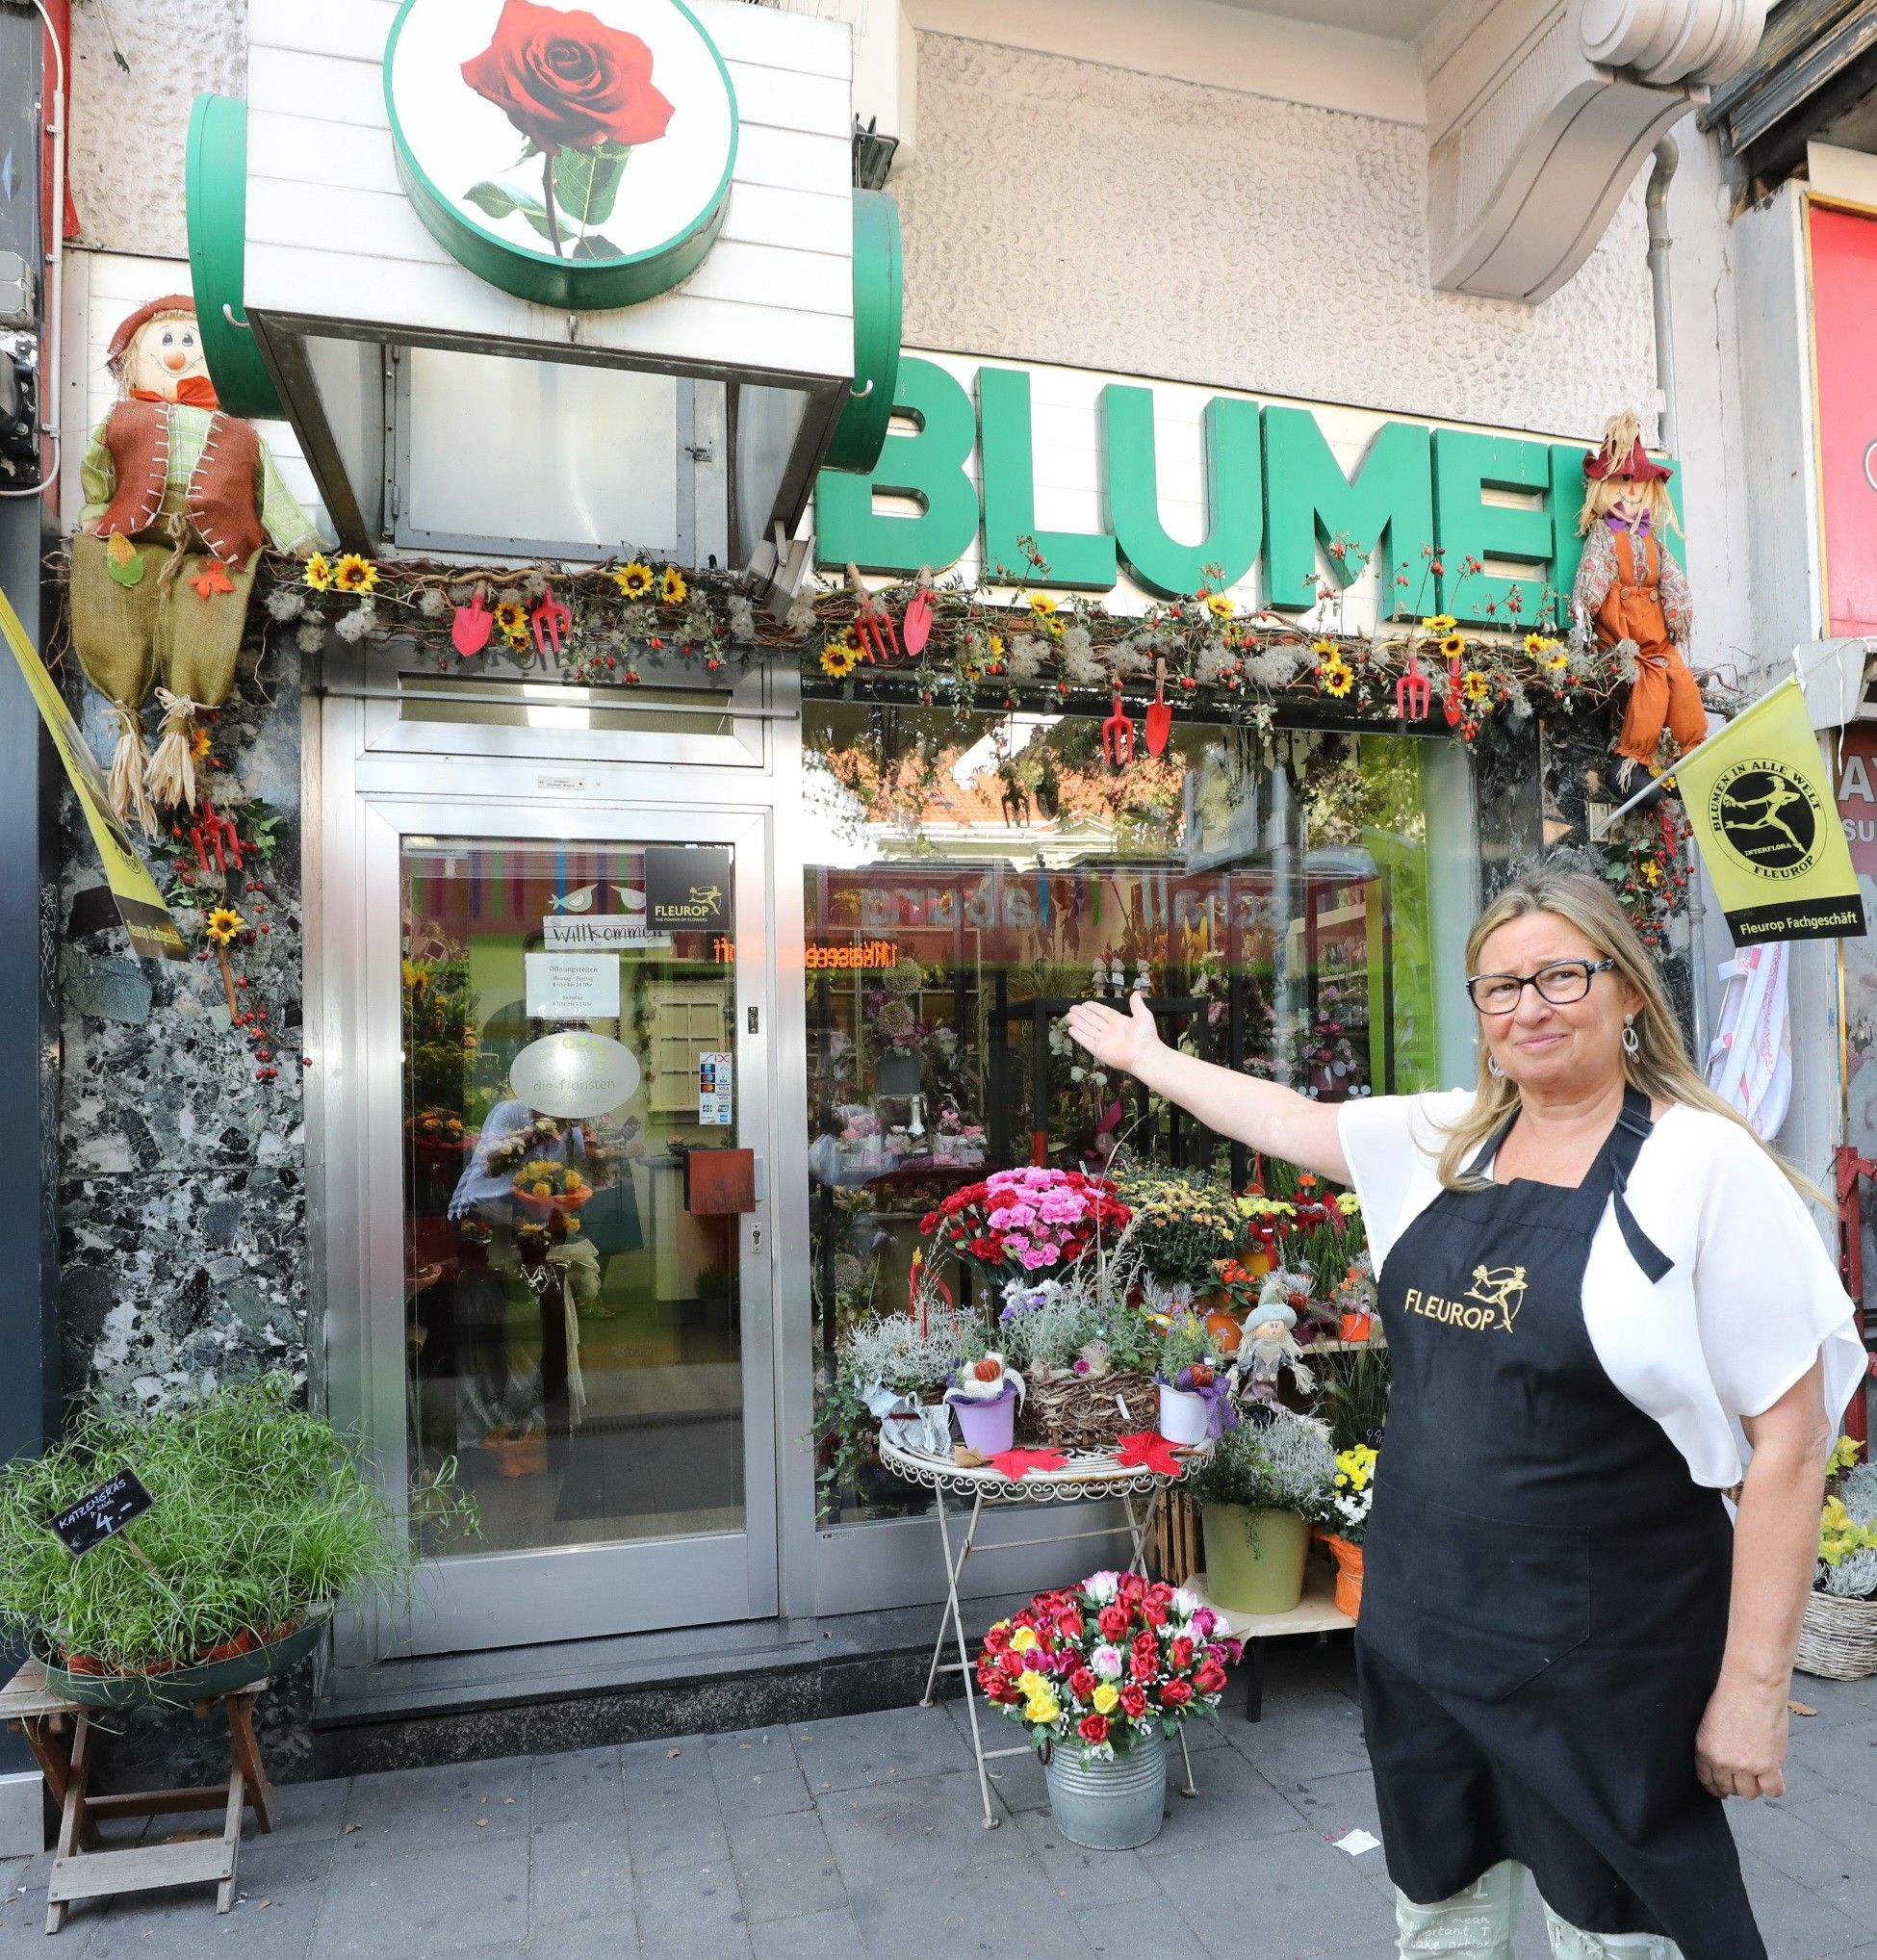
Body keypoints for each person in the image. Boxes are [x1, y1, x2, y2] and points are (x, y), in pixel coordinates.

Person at [1065, 867, 1864, 1960]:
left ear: (1629, 992)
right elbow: (1289, 1118)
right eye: (1500, 987)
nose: (1529, 1006)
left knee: (1615, 1932)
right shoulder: (1447, 1144)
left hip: (1609, 1651)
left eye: (1561, 975)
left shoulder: (1700, 1162)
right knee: (1442, 1912)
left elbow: (1793, 1437)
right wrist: (1146, 1059)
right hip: (1427, 1629)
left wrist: (1754, 1687)